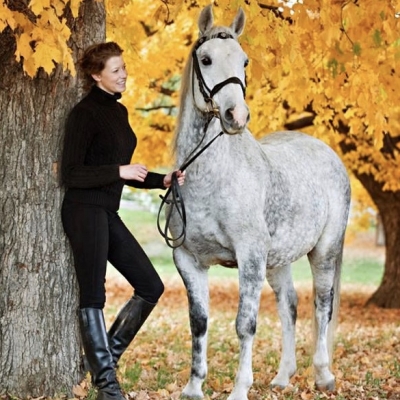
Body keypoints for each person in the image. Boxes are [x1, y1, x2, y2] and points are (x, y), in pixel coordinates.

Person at [61, 42, 185, 400]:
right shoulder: (83, 114)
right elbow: (71, 173)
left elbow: (125, 171)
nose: (123, 74)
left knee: (150, 285)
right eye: (115, 70)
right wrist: (120, 170)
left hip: (106, 210)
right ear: (97, 75)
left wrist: (161, 179)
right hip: (83, 209)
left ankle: (106, 362)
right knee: (94, 294)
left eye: (124, 68)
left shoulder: (119, 112)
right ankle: (107, 387)